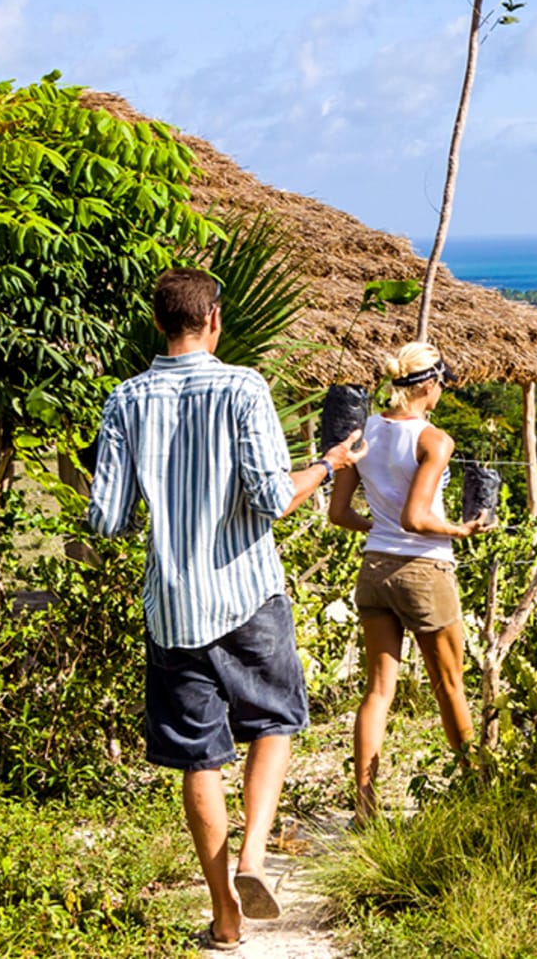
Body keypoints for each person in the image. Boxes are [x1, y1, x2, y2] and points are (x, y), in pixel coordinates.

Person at [87, 267, 367, 951]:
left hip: (173, 606)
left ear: (158, 322)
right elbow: (273, 497)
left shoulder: (124, 399)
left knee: (198, 759)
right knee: (276, 721)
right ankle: (253, 859)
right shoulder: (243, 385)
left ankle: (226, 918)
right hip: (247, 592)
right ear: (214, 319)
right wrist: (329, 466)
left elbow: (106, 519)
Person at [328, 341, 492, 821]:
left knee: (378, 691)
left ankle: (365, 806)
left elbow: (340, 513)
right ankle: (479, 793)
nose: (442, 392)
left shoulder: (364, 433)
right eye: (441, 383)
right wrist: (460, 530)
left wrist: (377, 528)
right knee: (450, 686)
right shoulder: (433, 440)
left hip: (374, 568)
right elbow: (418, 518)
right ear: (428, 384)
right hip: (423, 570)